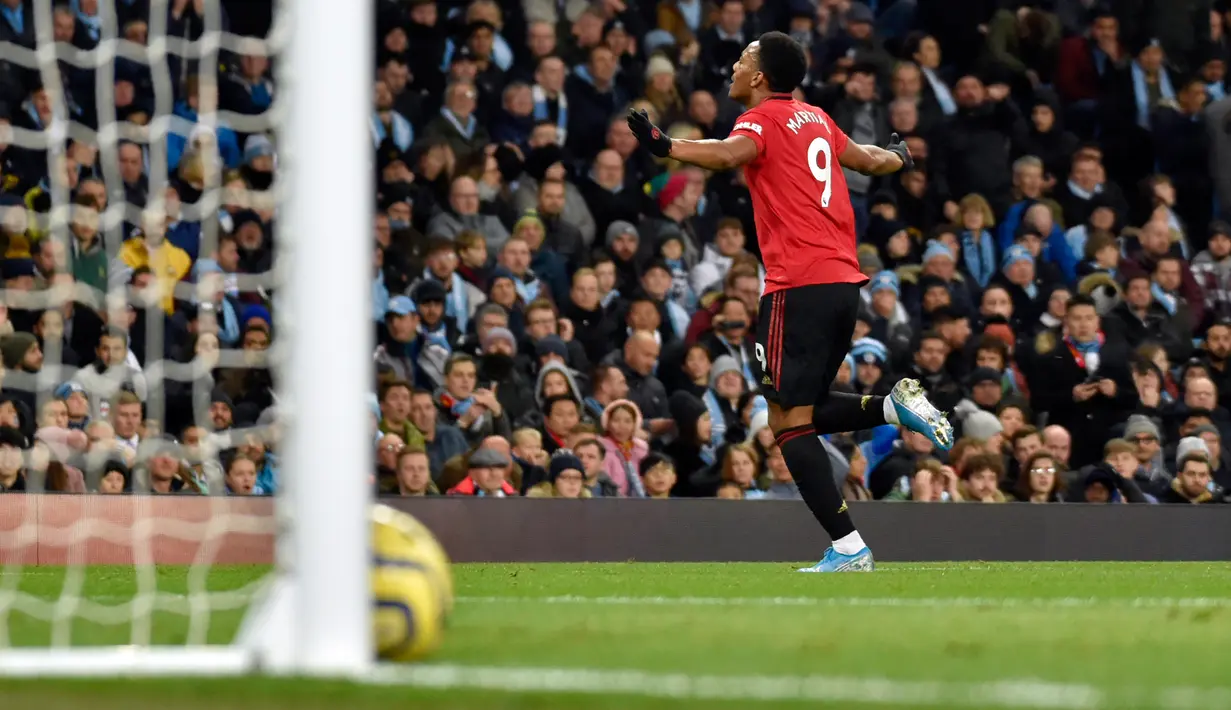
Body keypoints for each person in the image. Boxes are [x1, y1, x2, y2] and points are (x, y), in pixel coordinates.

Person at [627, 31, 952, 572]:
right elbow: (870, 161)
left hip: (795, 286)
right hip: (844, 285)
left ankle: (850, 547)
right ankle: (892, 408)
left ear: (759, 78)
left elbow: (730, 154)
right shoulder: (815, 116)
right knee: (803, 409)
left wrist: (668, 147)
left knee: (785, 422)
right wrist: (900, 157)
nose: (733, 66)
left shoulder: (762, 119)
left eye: (742, 59)